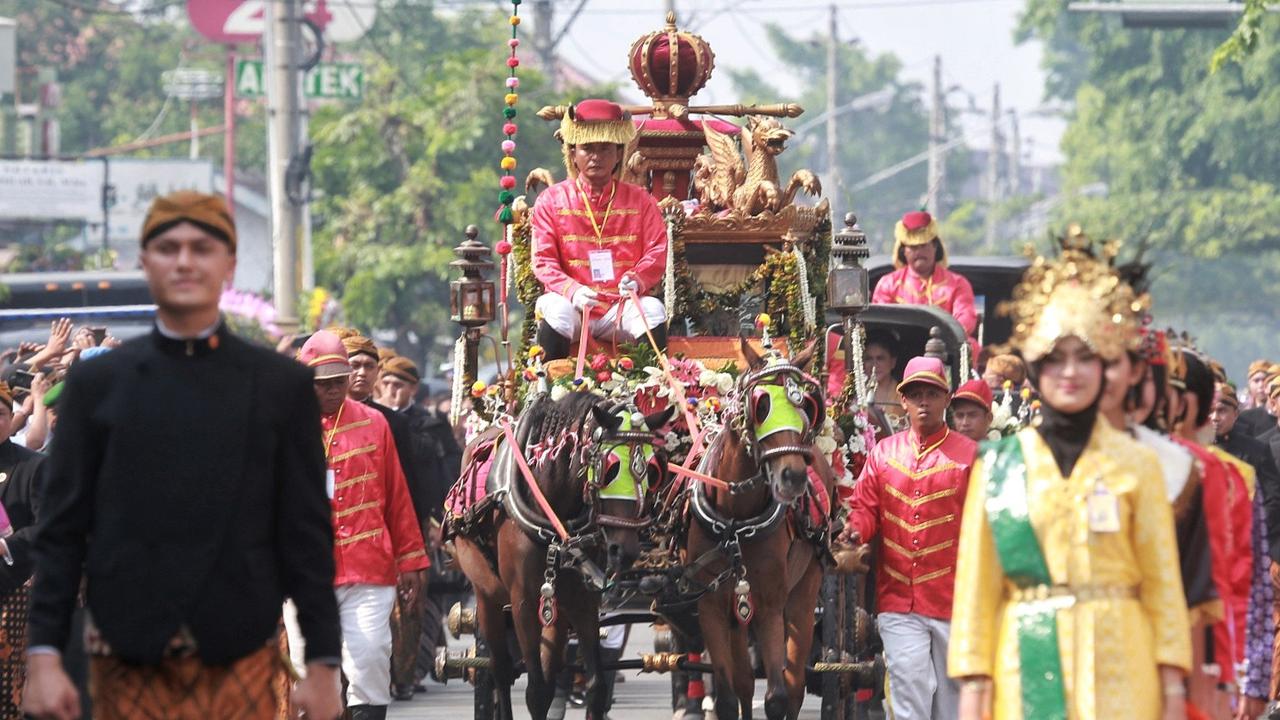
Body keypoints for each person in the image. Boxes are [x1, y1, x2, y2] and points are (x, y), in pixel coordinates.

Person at [23, 190, 343, 720]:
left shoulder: (280, 386)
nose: (186, 261)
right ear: (146, 263)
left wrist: (326, 663)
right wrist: (44, 657)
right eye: (169, 248)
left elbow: (306, 534)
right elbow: (61, 534)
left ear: (230, 264)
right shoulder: (97, 385)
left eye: (202, 247)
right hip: (125, 653)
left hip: (241, 650)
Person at [948, 241, 1190, 720]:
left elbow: (1163, 586)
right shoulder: (999, 465)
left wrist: (1174, 691)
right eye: (1056, 358)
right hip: (1025, 666)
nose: (1071, 372)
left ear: (1105, 366)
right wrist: (975, 691)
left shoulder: (1137, 464)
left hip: (1123, 670)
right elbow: (977, 590)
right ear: (1035, 367)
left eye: (1086, 356)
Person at [296, 331, 428, 720]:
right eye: (325, 384)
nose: (335, 389)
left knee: (370, 657)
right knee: (310, 669)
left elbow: (397, 497)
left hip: (369, 566)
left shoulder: (375, 424)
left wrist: (411, 561)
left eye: (340, 381)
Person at [841, 355, 978, 720]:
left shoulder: (969, 457)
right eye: (915, 394)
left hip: (955, 601)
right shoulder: (884, 453)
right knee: (909, 687)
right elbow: (864, 506)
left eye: (931, 394)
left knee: (952, 703)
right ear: (902, 400)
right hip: (898, 599)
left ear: (946, 399)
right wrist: (855, 530)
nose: (923, 402)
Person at [331, 331, 436, 702]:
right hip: (310, 561)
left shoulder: (386, 423)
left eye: (367, 366)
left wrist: (412, 551)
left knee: (371, 651)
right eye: (352, 366)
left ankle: (402, 674)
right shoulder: (292, 420)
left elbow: (402, 491)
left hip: (373, 549)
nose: (360, 374)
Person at [530, 98, 668, 360]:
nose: (596, 156)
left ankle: (651, 391)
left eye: (605, 149)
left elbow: (657, 252)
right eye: (587, 148)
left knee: (652, 310)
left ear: (618, 154)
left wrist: (637, 279)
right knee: (557, 311)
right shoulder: (551, 200)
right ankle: (550, 392)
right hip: (573, 305)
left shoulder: (641, 200)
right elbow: (543, 262)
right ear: (572, 152)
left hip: (621, 306)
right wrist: (572, 290)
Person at [1208, 383, 1280, 718]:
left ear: (1236, 414)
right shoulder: (1188, 449)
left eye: (1223, 410)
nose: (1215, 417)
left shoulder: (1255, 449)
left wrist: (1257, 541)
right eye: (1211, 410)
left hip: (1245, 552)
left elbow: (1270, 496)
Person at [0, 381, 46, 718]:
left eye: (0, 414)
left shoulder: (31, 466)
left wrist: (7, 543)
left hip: (9, 586)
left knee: (5, 683)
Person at [871, 210, 978, 345]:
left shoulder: (958, 283)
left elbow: (966, 318)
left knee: (971, 345)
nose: (919, 252)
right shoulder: (888, 283)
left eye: (924, 245)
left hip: (945, 348)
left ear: (935, 247)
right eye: (913, 247)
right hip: (899, 350)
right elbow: (881, 324)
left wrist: (945, 338)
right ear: (903, 251)